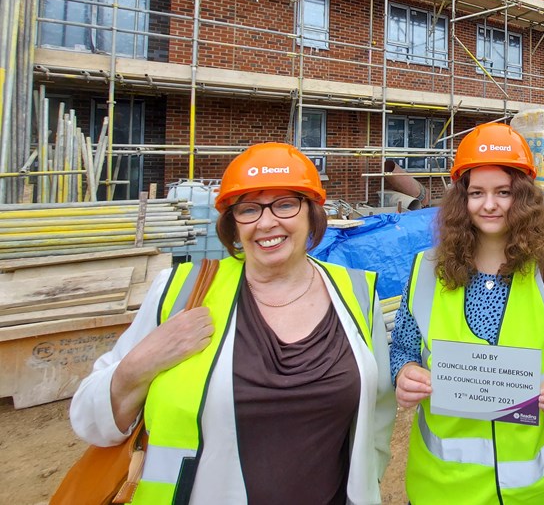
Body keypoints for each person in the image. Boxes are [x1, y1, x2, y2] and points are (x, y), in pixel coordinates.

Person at [70, 143, 394, 504]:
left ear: (312, 212)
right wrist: (141, 363)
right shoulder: (183, 291)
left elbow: (379, 409)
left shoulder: (357, 293)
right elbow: (88, 418)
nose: (266, 222)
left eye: (285, 204)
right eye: (248, 209)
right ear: (232, 223)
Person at [390, 122, 544, 504]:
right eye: (477, 193)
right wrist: (404, 373)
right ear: (461, 200)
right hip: (446, 490)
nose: (489, 204)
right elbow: (402, 349)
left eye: (504, 192)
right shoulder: (425, 273)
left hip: (540, 492)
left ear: (523, 198)